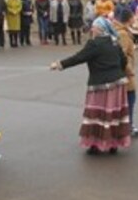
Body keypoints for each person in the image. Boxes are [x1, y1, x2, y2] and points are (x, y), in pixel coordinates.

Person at [49, 17, 132, 155]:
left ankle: (96, 144)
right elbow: (123, 61)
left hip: (101, 86)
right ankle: (113, 144)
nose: (92, 29)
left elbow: (78, 57)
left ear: (100, 29)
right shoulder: (114, 42)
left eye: (94, 27)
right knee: (114, 115)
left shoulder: (95, 44)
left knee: (98, 115)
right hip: (118, 85)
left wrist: (58, 64)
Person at [114, 10, 138, 138]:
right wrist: (129, 70)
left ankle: (125, 125)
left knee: (124, 101)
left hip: (121, 74)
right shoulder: (123, 34)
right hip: (124, 75)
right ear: (129, 19)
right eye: (133, 17)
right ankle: (128, 126)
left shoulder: (119, 31)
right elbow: (122, 55)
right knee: (129, 98)